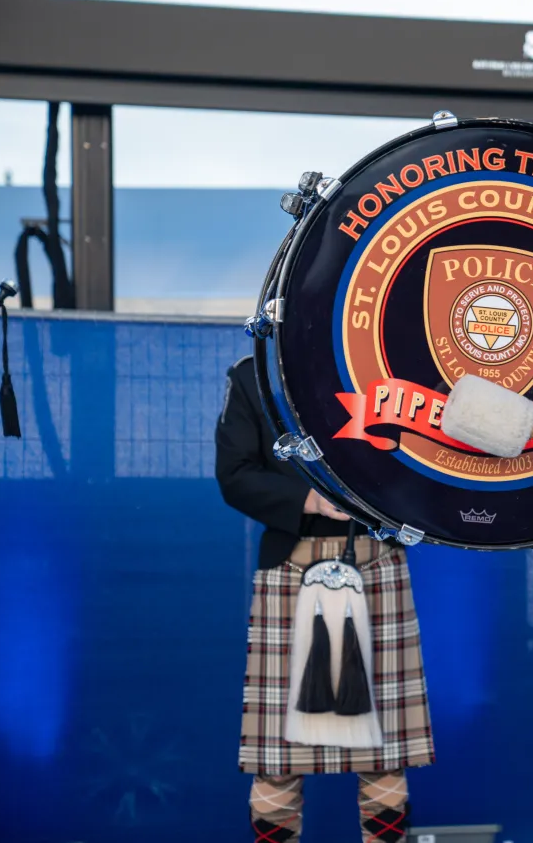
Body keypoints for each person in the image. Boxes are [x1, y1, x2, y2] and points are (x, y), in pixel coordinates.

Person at [215, 355, 435, 843]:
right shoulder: (253, 375)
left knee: (384, 756)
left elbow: (424, 457)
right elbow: (233, 473)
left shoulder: (382, 361)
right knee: (276, 760)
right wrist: (310, 499)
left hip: (377, 560)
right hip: (290, 564)